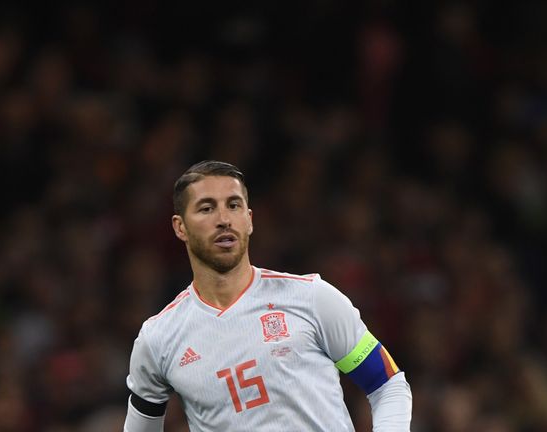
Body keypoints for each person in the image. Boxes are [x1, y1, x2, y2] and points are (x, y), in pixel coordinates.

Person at [123, 160, 412, 431]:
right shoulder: (158, 339)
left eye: (234, 205)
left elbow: (386, 383)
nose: (224, 219)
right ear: (180, 227)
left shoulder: (311, 298)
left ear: (249, 219)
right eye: (206, 208)